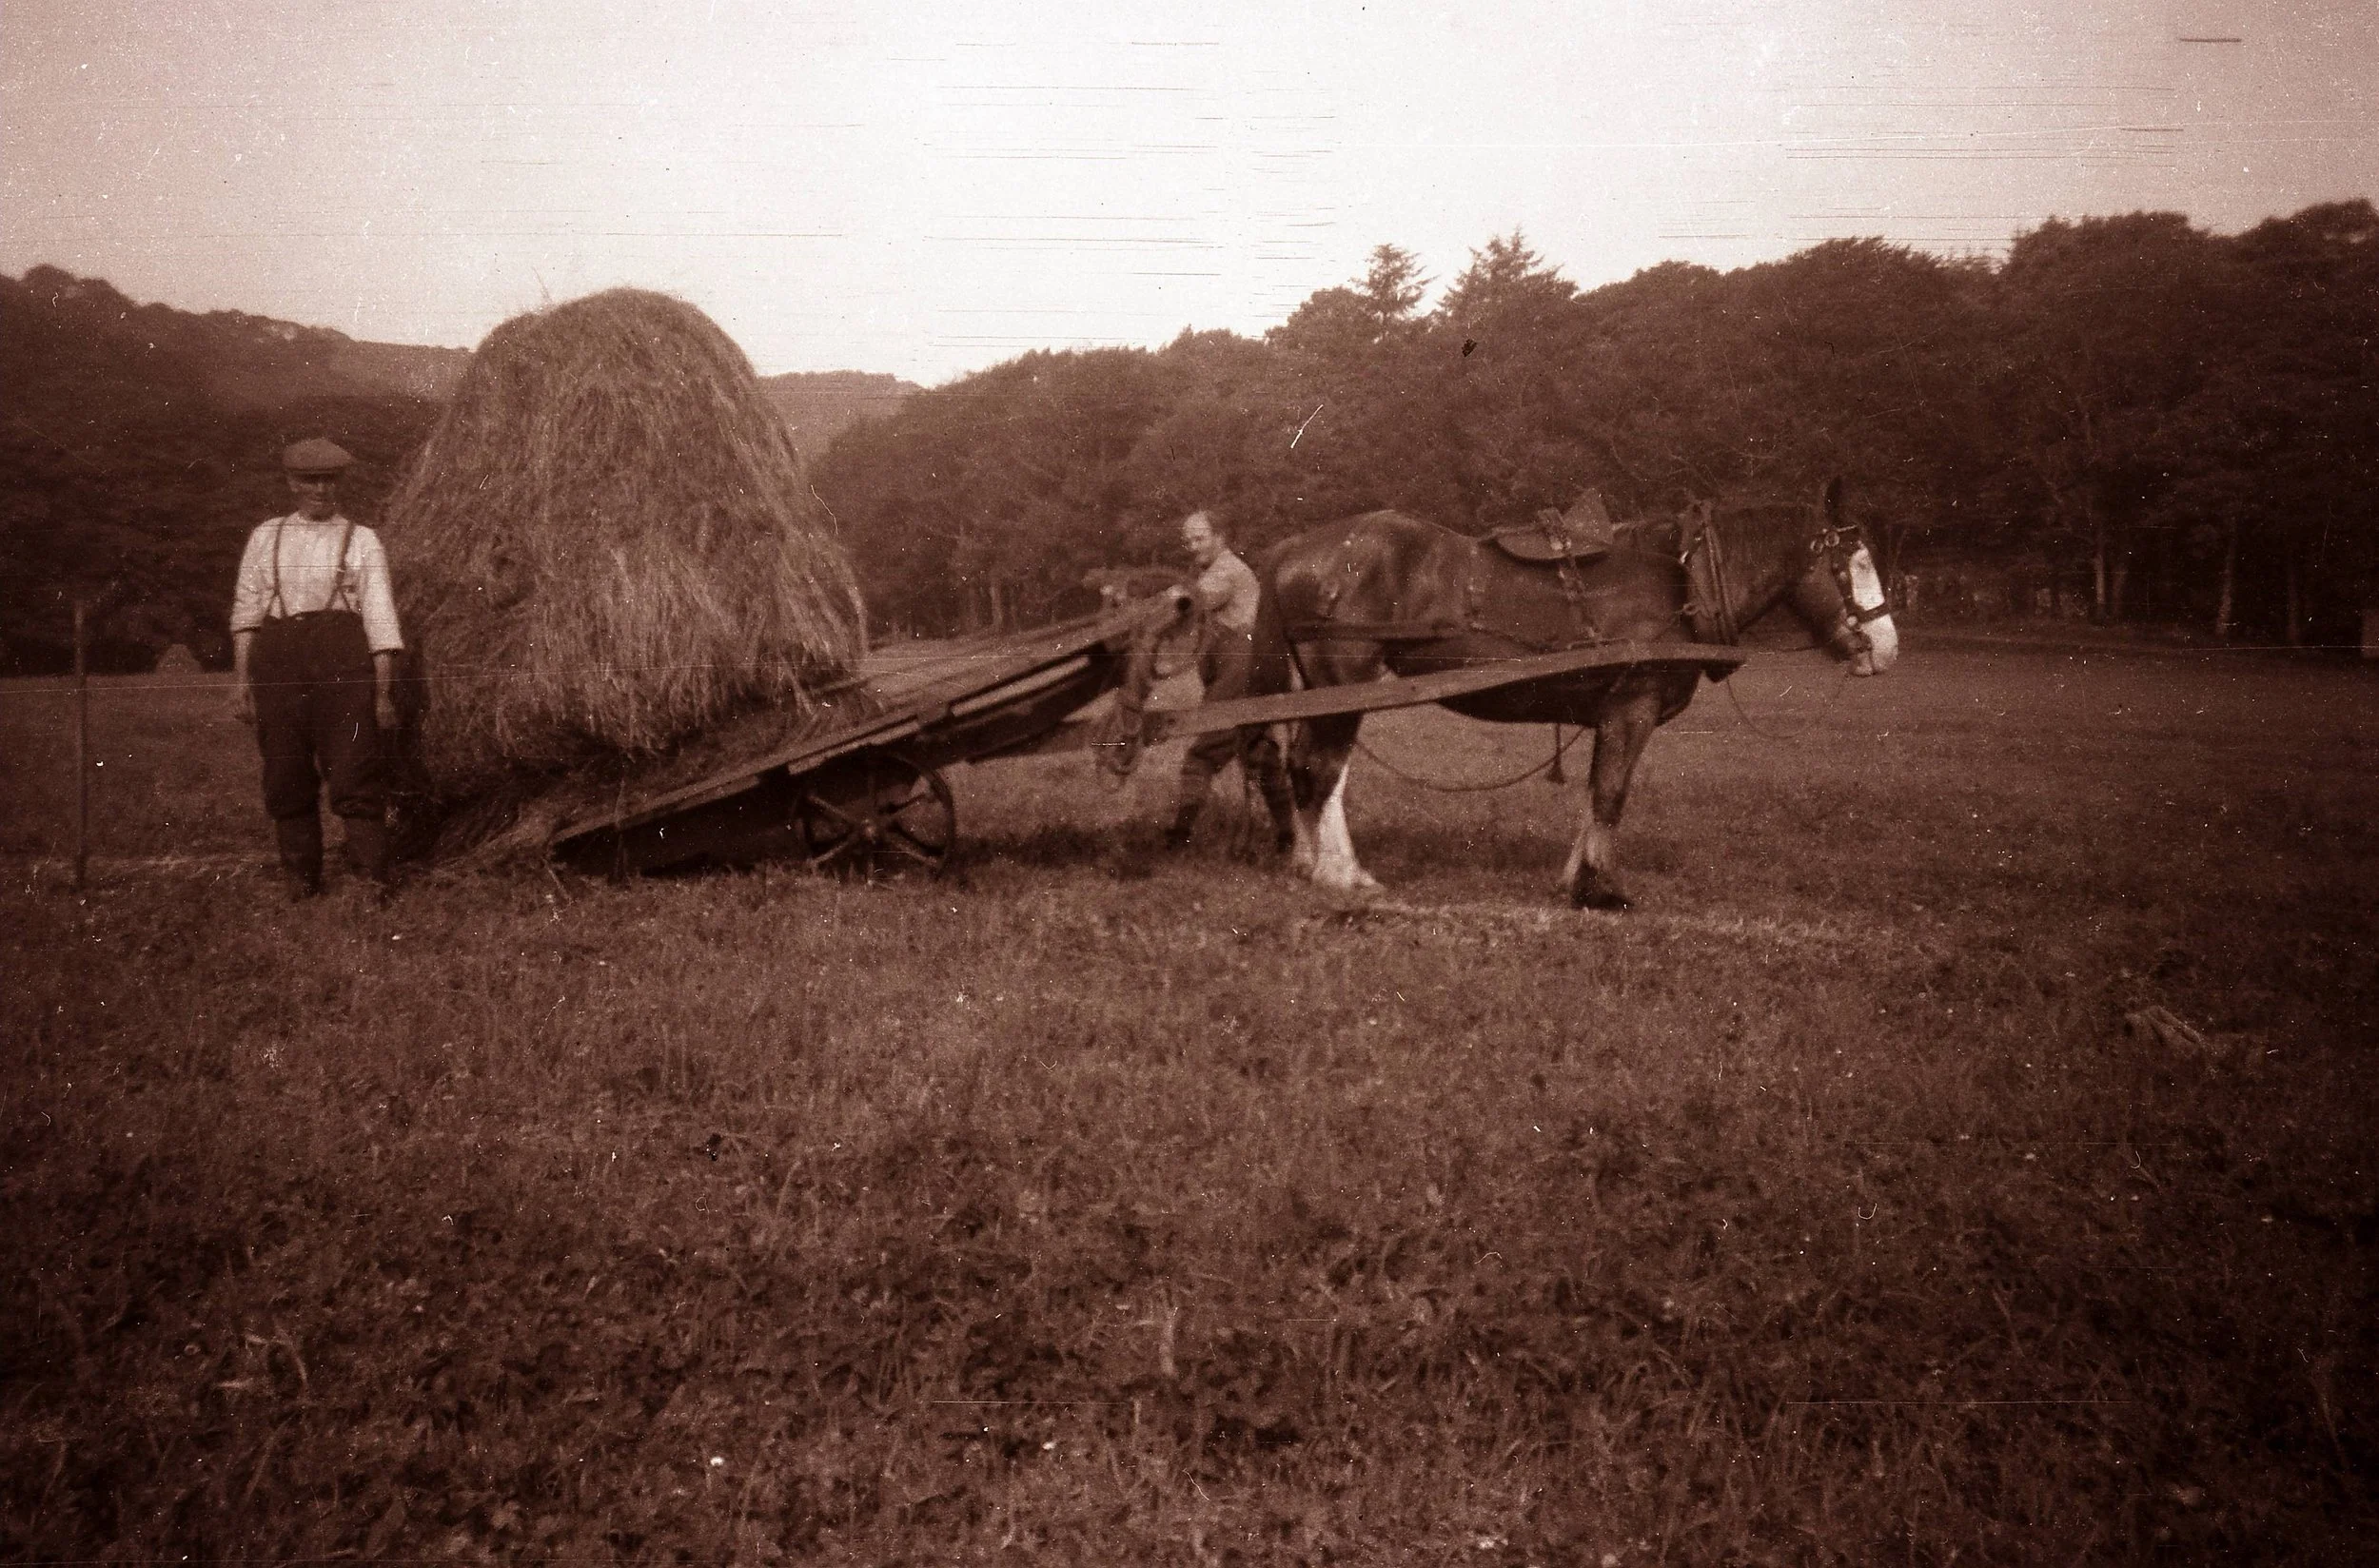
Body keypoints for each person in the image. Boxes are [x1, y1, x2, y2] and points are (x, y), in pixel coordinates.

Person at [227, 438, 404, 900]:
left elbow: (381, 620)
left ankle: (370, 885)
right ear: (291, 483)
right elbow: (246, 616)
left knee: (354, 770)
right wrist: (242, 683)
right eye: (310, 480)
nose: (320, 490)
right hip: (279, 663)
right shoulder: (266, 537)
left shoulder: (362, 539)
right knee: (286, 773)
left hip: (343, 664)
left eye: (329, 480)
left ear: (340, 483)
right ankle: (301, 882)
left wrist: (382, 693)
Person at [1166, 509, 1297, 853]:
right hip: (1244, 668)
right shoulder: (1216, 571)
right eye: (1188, 540)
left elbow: (1190, 603)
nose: (1193, 547)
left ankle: (1178, 837)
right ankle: (1288, 835)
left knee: (1203, 754)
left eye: (1200, 538)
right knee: (1260, 752)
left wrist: (1151, 610)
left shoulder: (1226, 571)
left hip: (1241, 667)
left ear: (1220, 538)